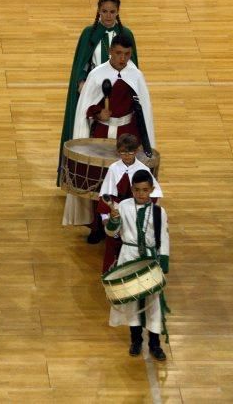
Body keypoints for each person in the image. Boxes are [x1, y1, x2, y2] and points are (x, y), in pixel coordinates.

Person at [63, 33, 155, 235]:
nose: (123, 58)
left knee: (124, 181)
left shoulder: (136, 76)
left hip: (127, 135)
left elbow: (142, 112)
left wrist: (142, 143)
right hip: (101, 136)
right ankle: (97, 227)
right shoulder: (97, 75)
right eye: (119, 53)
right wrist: (98, 113)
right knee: (101, 180)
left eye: (127, 54)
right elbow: (85, 108)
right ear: (110, 52)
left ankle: (124, 225)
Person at [58, 0, 138, 185]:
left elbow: (133, 67)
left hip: (118, 93)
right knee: (89, 132)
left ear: (118, 12)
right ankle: (86, 178)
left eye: (112, 12)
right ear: (98, 11)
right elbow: (82, 64)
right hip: (94, 92)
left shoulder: (126, 35)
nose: (108, 16)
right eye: (104, 11)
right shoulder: (89, 33)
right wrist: (81, 82)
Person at [105, 170, 169, 361]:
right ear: (132, 189)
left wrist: (163, 261)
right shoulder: (123, 206)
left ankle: (155, 343)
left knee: (153, 302)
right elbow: (112, 232)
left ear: (152, 190)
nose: (141, 194)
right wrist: (114, 219)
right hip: (129, 256)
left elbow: (164, 237)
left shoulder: (159, 212)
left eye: (145, 190)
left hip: (150, 259)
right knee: (131, 299)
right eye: (137, 190)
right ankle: (136, 340)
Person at [97, 134, 162, 272]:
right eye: (122, 152)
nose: (126, 155)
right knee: (112, 246)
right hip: (118, 211)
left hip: (136, 213)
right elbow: (106, 195)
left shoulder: (143, 169)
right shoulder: (114, 168)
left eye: (130, 152)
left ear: (137, 151)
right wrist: (106, 218)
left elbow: (153, 194)